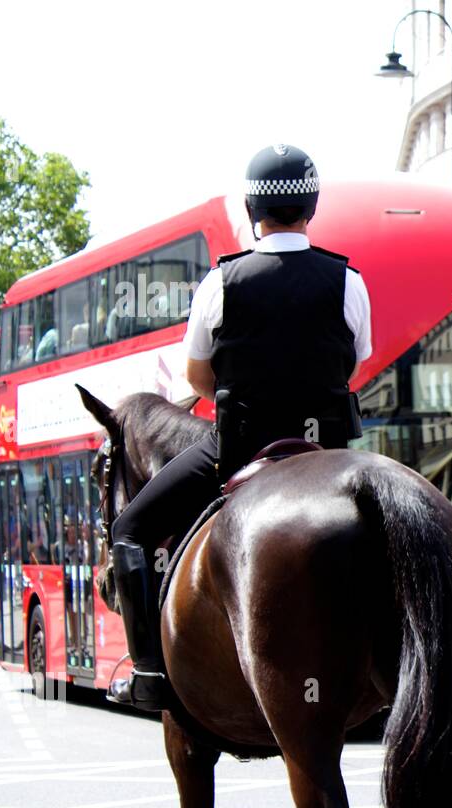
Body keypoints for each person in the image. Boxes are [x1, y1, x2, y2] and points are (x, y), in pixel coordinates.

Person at [105, 144, 372, 711]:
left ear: (254, 208)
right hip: (328, 451)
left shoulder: (220, 283)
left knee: (129, 527)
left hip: (239, 446)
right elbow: (355, 362)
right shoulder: (347, 280)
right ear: (312, 206)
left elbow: (198, 377)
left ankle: (149, 672)